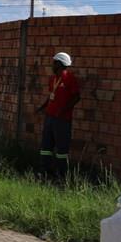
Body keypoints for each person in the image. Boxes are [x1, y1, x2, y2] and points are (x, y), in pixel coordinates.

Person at [38, 51, 80, 180]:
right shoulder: (53, 79)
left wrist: (63, 111)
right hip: (50, 117)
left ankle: (61, 176)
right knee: (46, 146)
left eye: (54, 63)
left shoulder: (70, 78)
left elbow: (76, 97)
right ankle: (45, 173)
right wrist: (42, 107)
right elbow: (51, 96)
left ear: (60, 64)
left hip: (62, 119)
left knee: (61, 149)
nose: (52, 65)